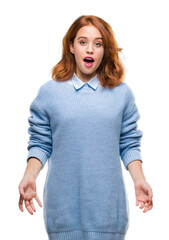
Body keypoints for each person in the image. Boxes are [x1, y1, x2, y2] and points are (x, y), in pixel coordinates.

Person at [18, 15, 153, 240]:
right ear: (71, 46)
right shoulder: (49, 93)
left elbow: (128, 143)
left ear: (105, 50)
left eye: (98, 43)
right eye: (83, 42)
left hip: (108, 215)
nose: (90, 49)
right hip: (62, 215)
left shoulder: (122, 94)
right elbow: (41, 143)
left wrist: (139, 179)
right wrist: (29, 175)